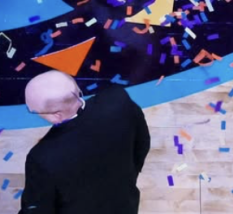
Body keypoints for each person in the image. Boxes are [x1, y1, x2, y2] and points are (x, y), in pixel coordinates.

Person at [20, 73, 150, 214]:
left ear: (56, 115)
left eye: (33, 110)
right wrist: (127, 176)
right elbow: (142, 144)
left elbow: (37, 209)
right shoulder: (117, 98)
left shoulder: (41, 158)